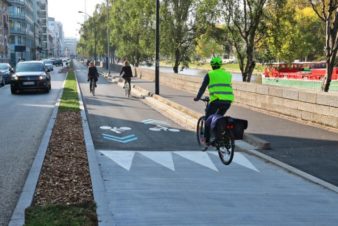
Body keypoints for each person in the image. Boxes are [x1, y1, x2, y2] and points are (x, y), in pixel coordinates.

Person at [193, 56, 234, 145]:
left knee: (208, 119)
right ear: (220, 65)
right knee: (218, 118)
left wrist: (197, 97)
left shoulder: (210, 74)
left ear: (212, 65)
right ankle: (220, 137)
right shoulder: (228, 74)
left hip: (216, 100)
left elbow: (202, 88)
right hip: (228, 101)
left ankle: (207, 140)